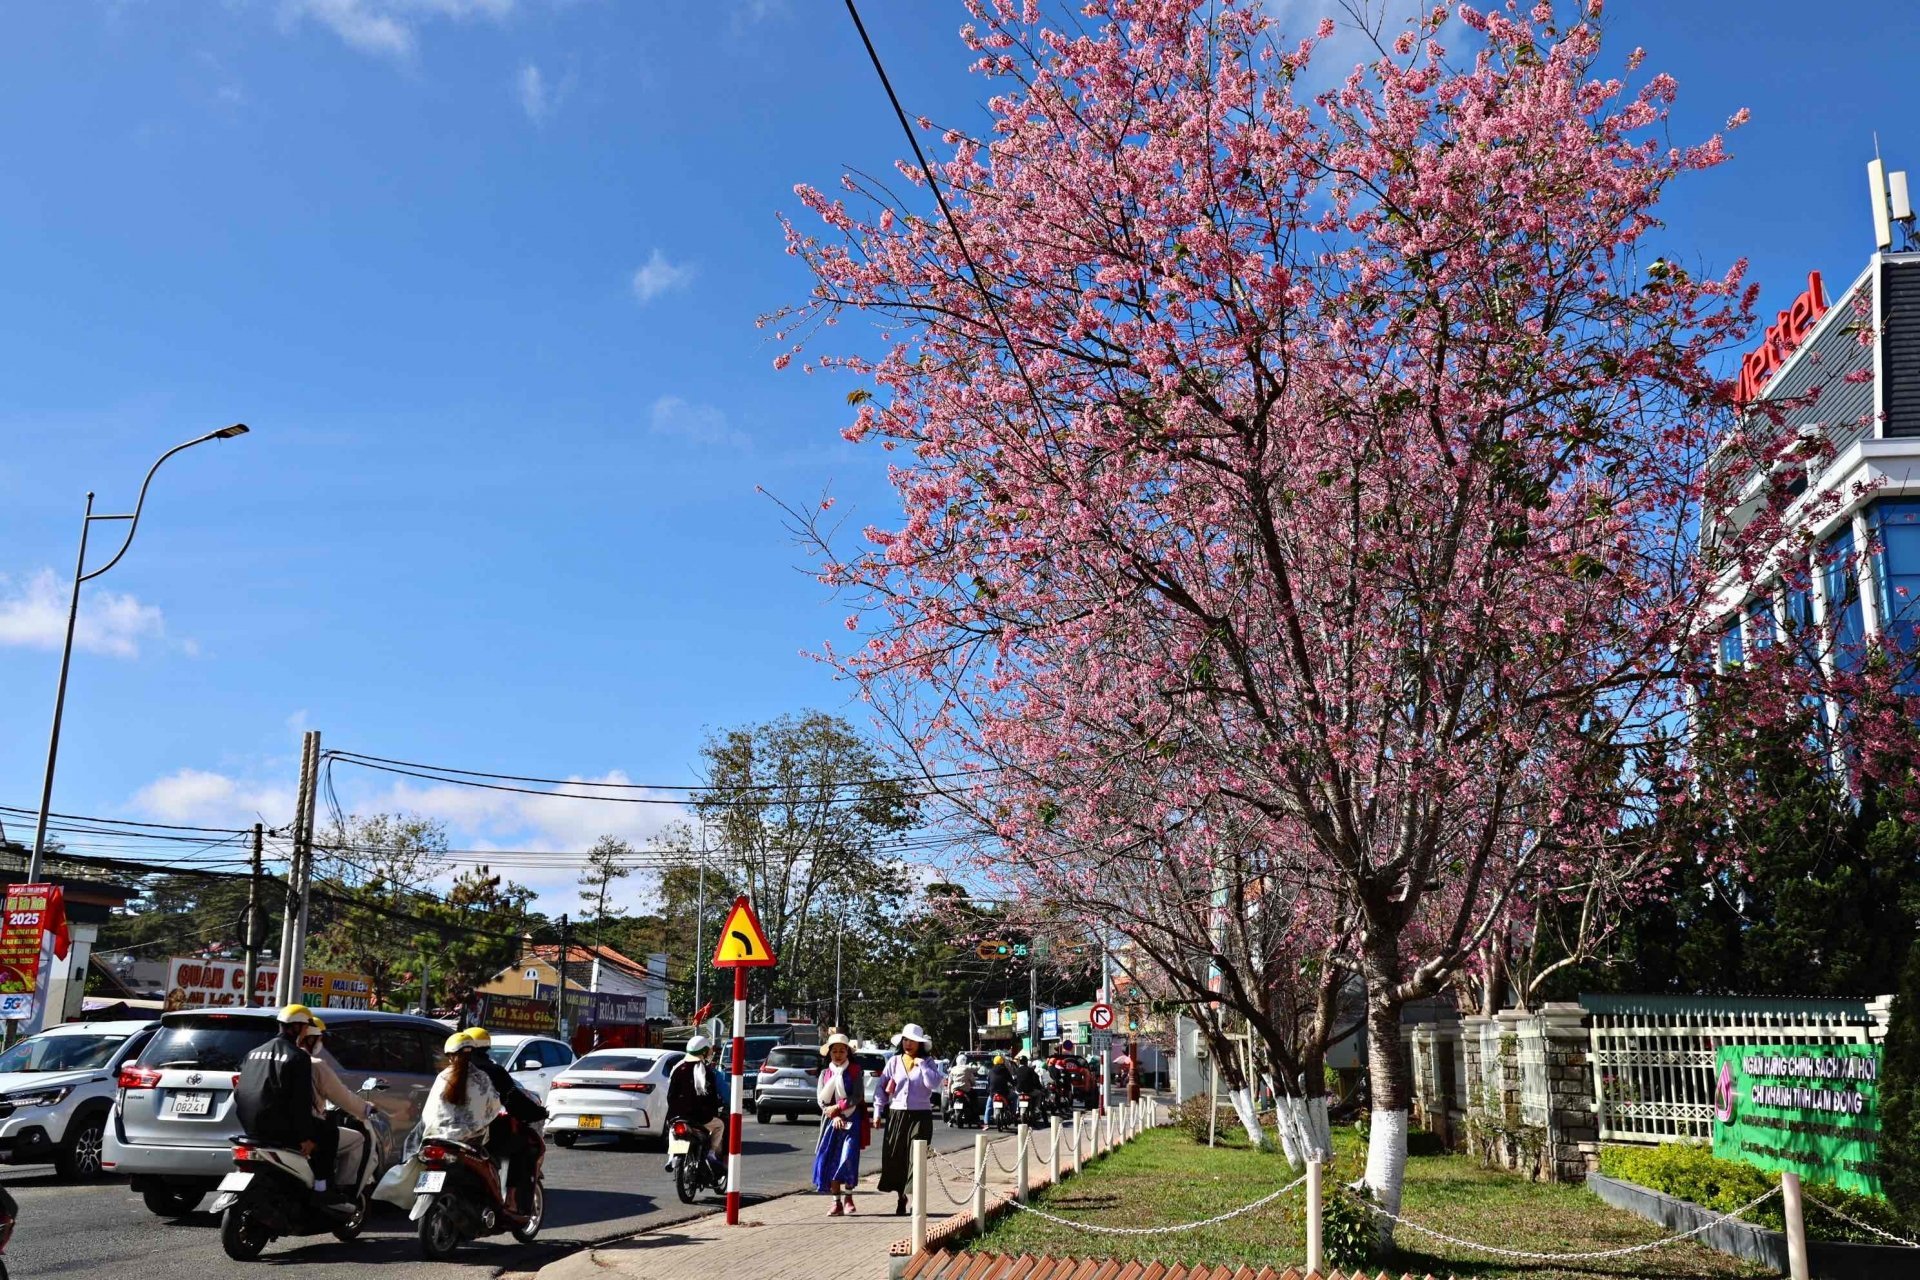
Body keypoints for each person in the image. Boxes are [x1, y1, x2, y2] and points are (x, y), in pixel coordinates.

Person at [235, 1004, 335, 1192]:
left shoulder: (253, 1052)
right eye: (306, 1026)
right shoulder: (297, 1057)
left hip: (250, 1129)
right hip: (280, 1129)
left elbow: (239, 1091)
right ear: (296, 1027)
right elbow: (300, 1101)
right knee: (329, 1131)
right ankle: (322, 1189)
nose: (306, 1031)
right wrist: (305, 1137)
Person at [460, 1027, 548, 1216]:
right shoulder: (491, 1071)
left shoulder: (449, 1071)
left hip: (448, 1131)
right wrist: (538, 1112)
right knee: (523, 1148)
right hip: (481, 1134)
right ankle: (512, 1202)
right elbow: (514, 1100)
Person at [296, 1016, 380, 1201]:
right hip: (305, 1128)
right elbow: (342, 1097)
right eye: (319, 1039)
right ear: (310, 1038)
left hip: (271, 1128)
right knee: (355, 1138)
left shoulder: (270, 1058)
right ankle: (338, 1190)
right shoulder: (314, 1065)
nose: (321, 1043)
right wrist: (365, 1109)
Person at [873, 1023, 945, 1216]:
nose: (908, 1044)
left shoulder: (928, 1062)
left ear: (920, 1043)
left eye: (912, 1040)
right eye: (905, 1040)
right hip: (897, 1114)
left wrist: (921, 1065)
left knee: (917, 1157)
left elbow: (933, 1084)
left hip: (920, 1115)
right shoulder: (894, 1062)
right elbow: (881, 1087)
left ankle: (915, 1200)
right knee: (896, 1157)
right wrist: (877, 1112)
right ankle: (901, 1197)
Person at [812, 1031, 866, 1215]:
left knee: (848, 1158)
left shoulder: (855, 1071)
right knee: (830, 1160)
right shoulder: (824, 1074)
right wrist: (833, 1116)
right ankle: (836, 1202)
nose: (838, 1054)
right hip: (831, 1122)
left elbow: (857, 1096)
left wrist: (839, 1108)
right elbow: (821, 1100)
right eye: (834, 1051)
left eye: (842, 1051)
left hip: (851, 1120)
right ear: (829, 1053)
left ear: (847, 1053)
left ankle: (849, 1197)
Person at [422, 1031, 502, 1145]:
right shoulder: (483, 1078)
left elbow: (429, 1113)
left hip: (440, 1138)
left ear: (450, 1055)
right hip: (473, 1140)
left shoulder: (443, 1077)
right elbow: (494, 1108)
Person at [665, 1036, 726, 1174]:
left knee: (672, 1129)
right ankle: (711, 1153)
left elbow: (670, 1095)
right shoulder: (706, 1071)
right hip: (700, 1117)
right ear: (703, 1052)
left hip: (677, 1115)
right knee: (720, 1125)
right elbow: (710, 1097)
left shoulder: (677, 1069)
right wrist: (714, 1111)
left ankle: (671, 1157)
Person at [985, 1053, 1014, 1128]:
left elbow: (989, 1081)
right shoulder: (1005, 1070)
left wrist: (989, 1090)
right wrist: (1014, 1084)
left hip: (993, 1093)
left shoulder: (991, 1071)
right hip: (1004, 1092)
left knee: (988, 1107)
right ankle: (1014, 1114)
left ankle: (986, 1123)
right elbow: (1011, 1080)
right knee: (1015, 1097)